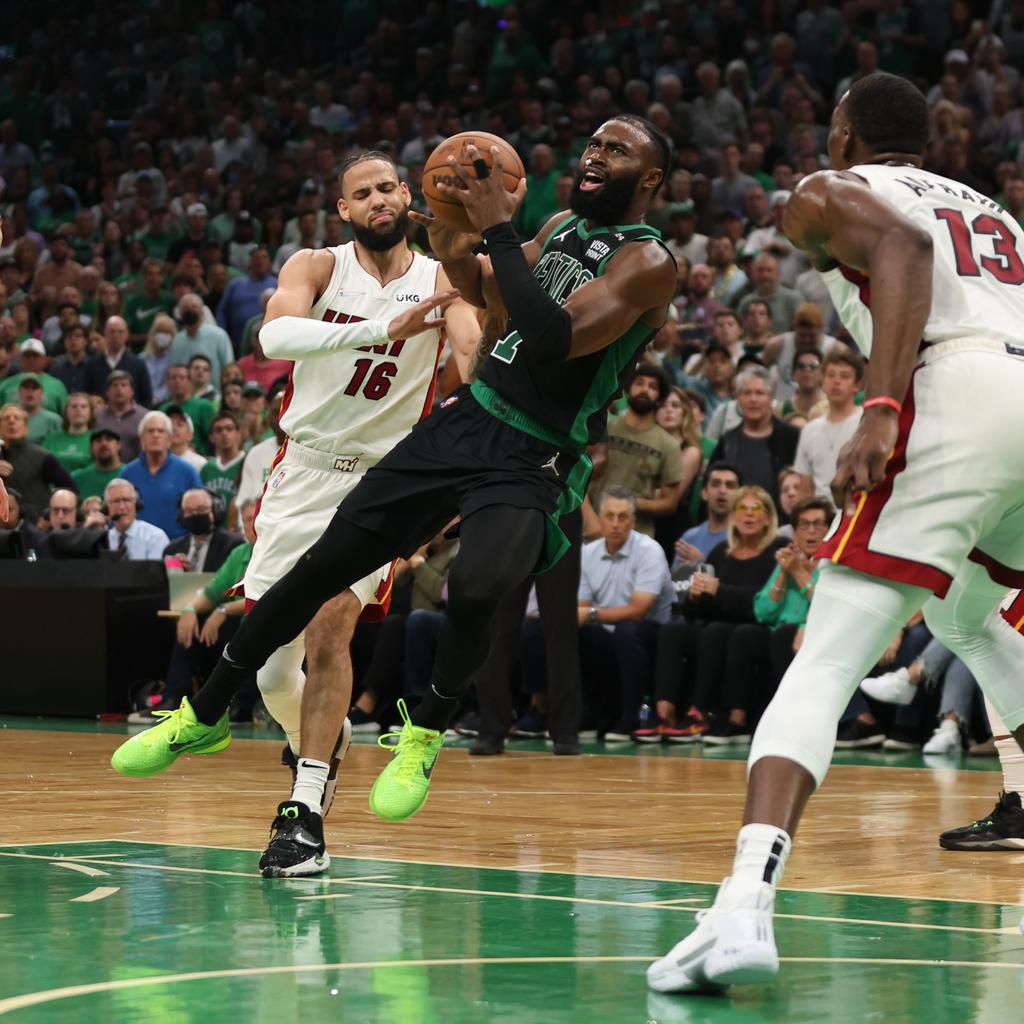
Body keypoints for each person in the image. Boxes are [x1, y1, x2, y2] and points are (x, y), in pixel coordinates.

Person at [111, 117, 677, 831]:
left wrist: (495, 230)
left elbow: (549, 335)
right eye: (593, 144)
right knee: (315, 575)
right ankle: (202, 711)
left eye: (615, 151)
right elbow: (488, 287)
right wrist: (453, 230)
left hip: (536, 450)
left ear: (651, 180)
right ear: (343, 208)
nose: (595, 156)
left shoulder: (649, 263)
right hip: (462, 421)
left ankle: (424, 732)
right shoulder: (559, 225)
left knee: (475, 592)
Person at [649, 71, 1024, 995]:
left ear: (846, 134)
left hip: (957, 391)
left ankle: (741, 904)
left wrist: (885, 402)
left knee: (825, 656)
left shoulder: (830, 192)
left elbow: (897, 247)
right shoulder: (998, 214)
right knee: (976, 614)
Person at [114, 149, 480, 874]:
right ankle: (323, 739)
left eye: (387, 188)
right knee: (277, 674)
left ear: (407, 197)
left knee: (330, 630)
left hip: (381, 481)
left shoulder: (444, 280)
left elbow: (468, 349)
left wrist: (474, 376)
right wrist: (382, 330)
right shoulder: (316, 266)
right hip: (302, 471)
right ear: (343, 209)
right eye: (362, 192)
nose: (378, 199)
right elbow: (274, 337)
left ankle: (304, 810)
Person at [578, 486, 674, 739]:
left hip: (654, 634)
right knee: (580, 632)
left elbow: (638, 611)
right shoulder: (588, 553)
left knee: (627, 630)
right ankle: (590, 712)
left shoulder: (649, 550)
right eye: (609, 516)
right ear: (599, 518)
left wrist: (590, 614)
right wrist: (587, 615)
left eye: (623, 517)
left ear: (633, 521)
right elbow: (581, 607)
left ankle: (630, 716)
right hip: (610, 630)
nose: (615, 523)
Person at [591, 365, 685, 539]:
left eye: (652, 386)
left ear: (659, 399)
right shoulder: (604, 427)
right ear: (627, 389)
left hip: (637, 534)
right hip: (592, 526)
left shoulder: (668, 445)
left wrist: (629, 503)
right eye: (639, 383)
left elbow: (670, 503)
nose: (644, 389)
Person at [710, 367, 799, 508]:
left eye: (759, 393)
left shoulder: (792, 437)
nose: (753, 399)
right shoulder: (727, 441)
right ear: (738, 398)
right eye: (747, 393)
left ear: (771, 398)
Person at [119, 410, 203, 540]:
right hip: (136, 549)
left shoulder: (187, 472)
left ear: (169, 439)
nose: (156, 435)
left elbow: (199, 513)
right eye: (150, 431)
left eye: (160, 431)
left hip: (177, 549)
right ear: (142, 438)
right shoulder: (128, 473)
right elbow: (117, 511)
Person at [793, 348, 864, 499]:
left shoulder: (865, 423)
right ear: (823, 382)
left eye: (844, 376)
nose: (836, 381)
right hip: (820, 515)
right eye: (831, 375)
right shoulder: (810, 429)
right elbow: (806, 486)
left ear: (857, 385)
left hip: (856, 509)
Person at [0, 403, 76, 520]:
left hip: (32, 524)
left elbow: (70, 488)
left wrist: (48, 516)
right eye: (6, 418)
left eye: (17, 418)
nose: (11, 421)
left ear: (26, 427)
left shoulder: (41, 456)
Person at [105, 477, 169, 559]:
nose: (122, 507)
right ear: (107, 506)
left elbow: (154, 571)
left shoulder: (155, 537)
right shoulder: (104, 540)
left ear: (136, 503)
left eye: (127, 500)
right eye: (116, 501)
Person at [93, 370, 147, 462]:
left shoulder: (145, 416)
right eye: (115, 385)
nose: (119, 389)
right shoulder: (96, 416)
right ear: (107, 392)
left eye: (123, 385)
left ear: (132, 391)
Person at [43, 391, 93, 472]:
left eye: (83, 407)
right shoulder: (51, 439)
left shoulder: (97, 439)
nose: (78, 410)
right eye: (74, 406)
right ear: (66, 411)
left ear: (91, 412)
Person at [70, 427, 123, 500]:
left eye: (109, 439)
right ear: (91, 448)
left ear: (119, 445)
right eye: (98, 440)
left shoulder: (130, 473)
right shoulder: (77, 478)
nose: (103, 443)